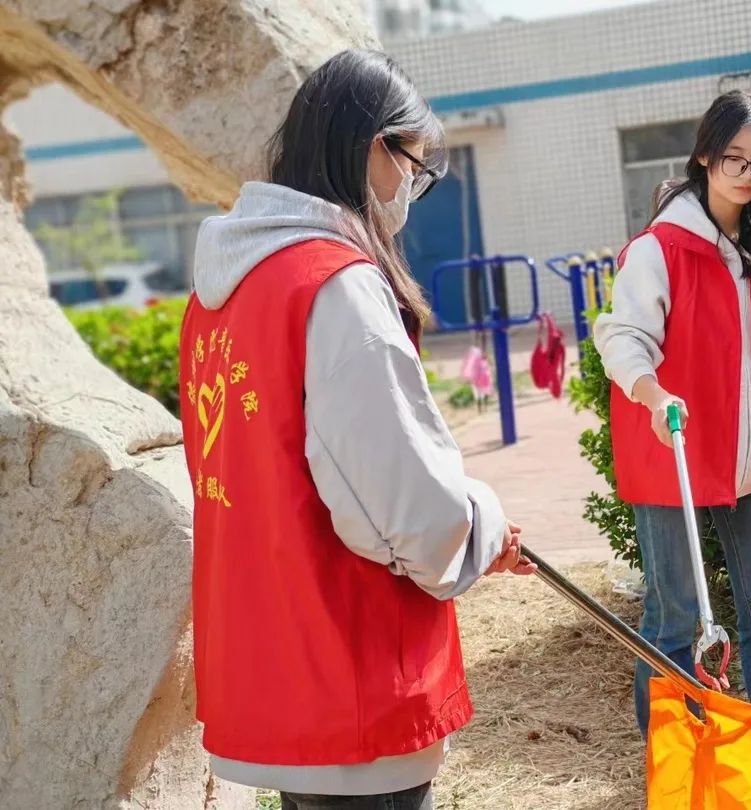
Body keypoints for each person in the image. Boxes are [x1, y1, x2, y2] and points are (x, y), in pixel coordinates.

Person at [177, 49, 535, 810]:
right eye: (416, 166)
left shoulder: (220, 291)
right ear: (377, 148)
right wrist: (483, 525)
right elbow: (407, 509)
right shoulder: (335, 285)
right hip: (355, 667)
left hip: (274, 659)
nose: (412, 188)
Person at [593, 90, 751, 736]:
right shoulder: (659, 249)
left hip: (750, 460)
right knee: (673, 620)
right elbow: (622, 340)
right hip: (674, 451)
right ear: (705, 155)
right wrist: (654, 395)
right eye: (735, 158)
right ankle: (674, 758)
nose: (748, 174)